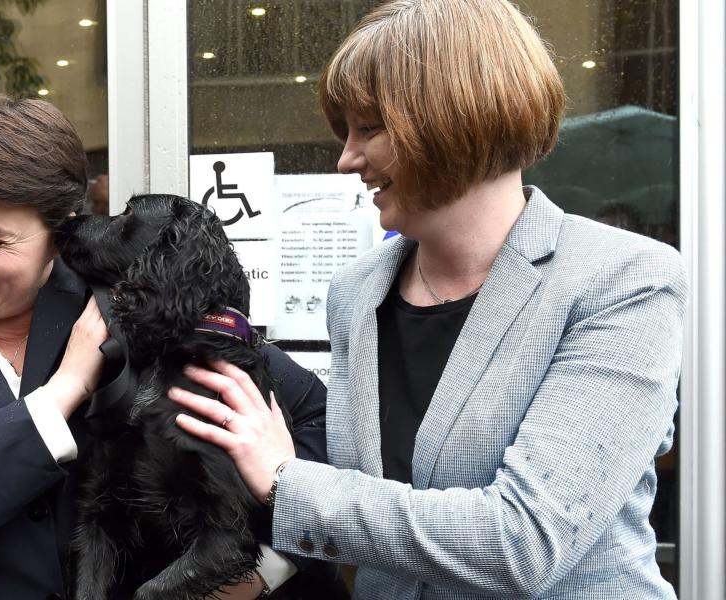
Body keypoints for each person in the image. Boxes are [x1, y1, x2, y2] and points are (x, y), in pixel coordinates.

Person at [169, 1, 687, 598]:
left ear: (451, 119)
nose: (346, 159)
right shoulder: (357, 294)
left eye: (368, 129)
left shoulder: (623, 281)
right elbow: (358, 490)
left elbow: (523, 542)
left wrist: (288, 481)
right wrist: (263, 570)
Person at [0, 94, 330, 599]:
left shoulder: (132, 311)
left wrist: (264, 568)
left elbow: (316, 418)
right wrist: (65, 389)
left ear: (61, 228)